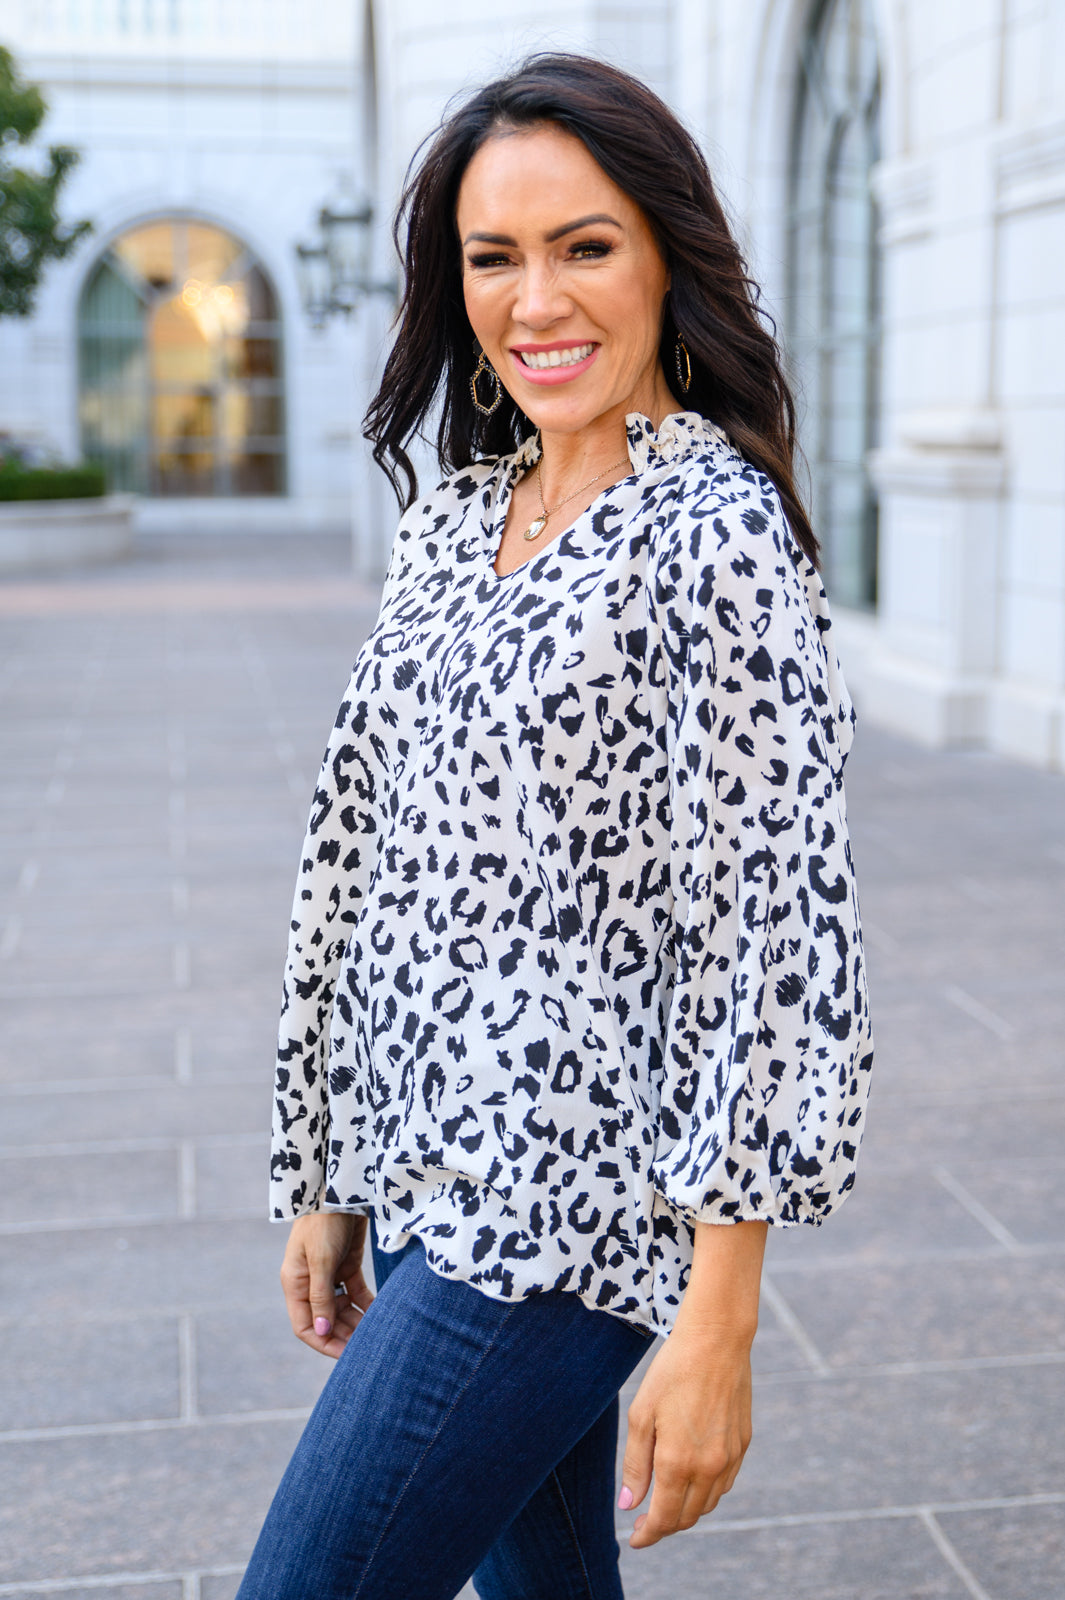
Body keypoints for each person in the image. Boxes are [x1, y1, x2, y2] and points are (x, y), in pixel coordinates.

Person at [238, 52, 873, 1600]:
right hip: (410, 1167)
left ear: (666, 254)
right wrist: (324, 1166)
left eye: (582, 246)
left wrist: (717, 1325)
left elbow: (776, 937)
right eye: (492, 257)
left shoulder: (710, 532)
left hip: (556, 1221)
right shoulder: (460, 514)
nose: (536, 301)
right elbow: (359, 853)